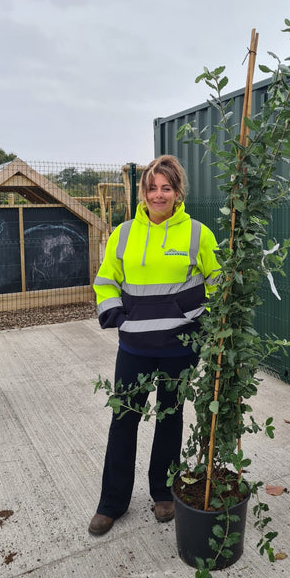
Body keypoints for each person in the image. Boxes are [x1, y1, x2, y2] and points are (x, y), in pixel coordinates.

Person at [88, 155, 220, 536]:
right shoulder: (124, 233)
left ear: (178, 192)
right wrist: (117, 316)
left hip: (180, 348)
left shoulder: (198, 234)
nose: (158, 194)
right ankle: (111, 503)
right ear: (143, 192)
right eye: (152, 187)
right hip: (134, 348)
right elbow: (106, 279)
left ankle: (163, 492)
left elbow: (218, 280)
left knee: (169, 417)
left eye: (166, 187)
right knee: (123, 420)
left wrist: (200, 317)